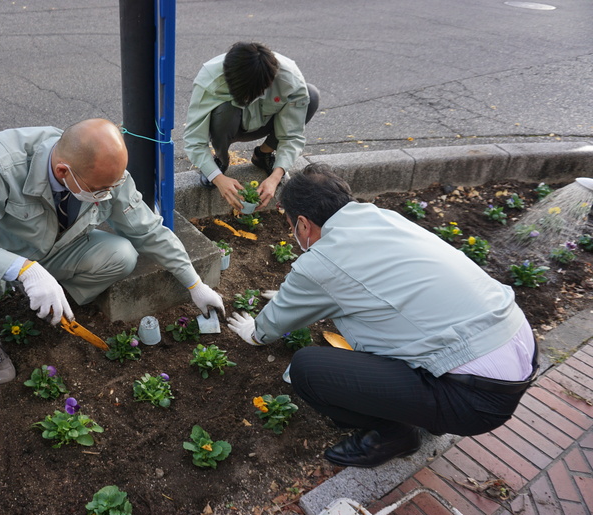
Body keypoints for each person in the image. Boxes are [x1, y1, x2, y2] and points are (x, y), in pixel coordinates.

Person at [227, 164, 537, 468]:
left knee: (307, 369)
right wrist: (292, 297)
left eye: (291, 224)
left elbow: (271, 327)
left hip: (477, 400)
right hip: (520, 343)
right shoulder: (383, 218)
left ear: (304, 225)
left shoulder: (322, 261)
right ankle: (433, 414)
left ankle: (394, 435)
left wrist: (254, 333)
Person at [0, 119, 224, 384]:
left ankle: (53, 296)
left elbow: (147, 230)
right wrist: (22, 269)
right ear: (62, 171)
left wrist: (194, 283)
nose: (107, 194)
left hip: (54, 250)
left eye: (111, 186)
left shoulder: (104, 170)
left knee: (122, 254)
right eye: (98, 190)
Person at [184, 42, 320, 212]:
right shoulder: (211, 77)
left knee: (311, 95)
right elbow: (194, 139)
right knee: (225, 110)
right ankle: (220, 160)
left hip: (266, 124)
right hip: (228, 125)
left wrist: (275, 176)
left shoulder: (290, 79)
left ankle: (263, 154)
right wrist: (218, 178)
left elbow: (291, 135)